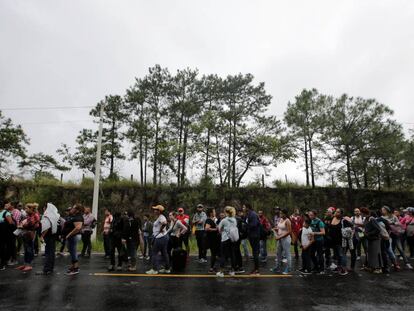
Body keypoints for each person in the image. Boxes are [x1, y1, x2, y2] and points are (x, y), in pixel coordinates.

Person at [328, 208, 353, 275]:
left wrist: (349, 235)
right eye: (336, 211)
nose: (336, 213)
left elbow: (352, 226)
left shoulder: (343, 220)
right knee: (337, 255)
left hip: (341, 241)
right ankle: (339, 267)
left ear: (341, 214)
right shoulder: (332, 218)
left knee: (342, 255)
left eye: (338, 212)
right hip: (333, 241)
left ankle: (344, 269)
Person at [16, 203, 40, 273]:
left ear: (31, 209)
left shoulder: (34, 215)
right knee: (26, 249)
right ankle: (25, 264)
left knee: (29, 249)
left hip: (30, 234)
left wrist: (22, 226)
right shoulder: (29, 215)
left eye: (26, 208)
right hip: (26, 233)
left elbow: (31, 224)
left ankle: (28, 265)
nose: (25, 210)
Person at [36, 203, 60, 275]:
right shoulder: (55, 216)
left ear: (46, 208)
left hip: (47, 236)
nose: (43, 209)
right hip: (53, 236)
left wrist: (42, 236)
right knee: (51, 253)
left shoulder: (47, 216)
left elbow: (46, 228)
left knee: (47, 253)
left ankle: (46, 269)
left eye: (44, 208)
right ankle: (50, 268)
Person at [146, 205, 170, 275]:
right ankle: (167, 268)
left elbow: (165, 223)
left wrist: (161, 229)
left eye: (156, 209)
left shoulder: (161, 217)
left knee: (154, 253)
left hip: (160, 238)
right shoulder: (160, 217)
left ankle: (154, 269)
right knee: (164, 253)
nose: (154, 211)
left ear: (159, 211)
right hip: (163, 237)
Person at [62, 204, 84, 275]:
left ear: (77, 210)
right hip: (71, 236)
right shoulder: (74, 216)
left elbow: (78, 228)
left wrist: (69, 234)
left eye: (73, 208)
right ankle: (73, 266)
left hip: (73, 236)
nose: (71, 209)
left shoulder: (78, 217)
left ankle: (76, 269)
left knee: (73, 252)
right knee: (72, 252)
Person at [216, 206, 238, 277]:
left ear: (226, 212)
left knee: (223, 255)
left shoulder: (224, 220)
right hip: (232, 239)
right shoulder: (234, 220)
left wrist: (222, 230)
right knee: (232, 255)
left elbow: (219, 229)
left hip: (225, 239)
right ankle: (232, 271)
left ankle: (221, 272)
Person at [271, 209, 292, 275]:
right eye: (280, 214)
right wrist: (275, 229)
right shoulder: (280, 219)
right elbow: (280, 228)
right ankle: (277, 267)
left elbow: (289, 231)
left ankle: (288, 269)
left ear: (285, 214)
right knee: (278, 253)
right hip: (279, 239)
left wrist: (279, 237)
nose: (280, 215)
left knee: (287, 254)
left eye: (281, 214)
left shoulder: (287, 220)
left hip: (285, 239)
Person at [245, 204, 260, 275]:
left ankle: (256, 269)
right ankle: (255, 268)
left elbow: (254, 224)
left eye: (244, 207)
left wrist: (245, 225)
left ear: (248, 207)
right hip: (251, 236)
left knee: (255, 253)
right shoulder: (249, 214)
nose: (243, 208)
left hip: (255, 236)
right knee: (254, 252)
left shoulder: (253, 214)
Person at [5, 201, 21, 266]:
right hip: (9, 230)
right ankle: (10, 258)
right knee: (9, 244)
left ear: (12, 206)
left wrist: (9, 216)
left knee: (13, 244)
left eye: (8, 204)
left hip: (14, 229)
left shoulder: (16, 211)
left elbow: (14, 222)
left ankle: (14, 259)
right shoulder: (8, 212)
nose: (7, 205)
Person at [205, 208, 220, 273]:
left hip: (214, 239)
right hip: (211, 239)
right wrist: (215, 229)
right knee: (213, 254)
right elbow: (206, 228)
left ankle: (213, 267)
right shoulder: (208, 220)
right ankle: (211, 268)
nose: (215, 213)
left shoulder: (212, 219)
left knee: (215, 253)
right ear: (211, 213)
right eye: (214, 211)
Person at [0, 202, 14, 271]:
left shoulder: (6, 213)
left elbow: (11, 223)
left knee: (3, 248)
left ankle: (3, 263)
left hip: (6, 234)